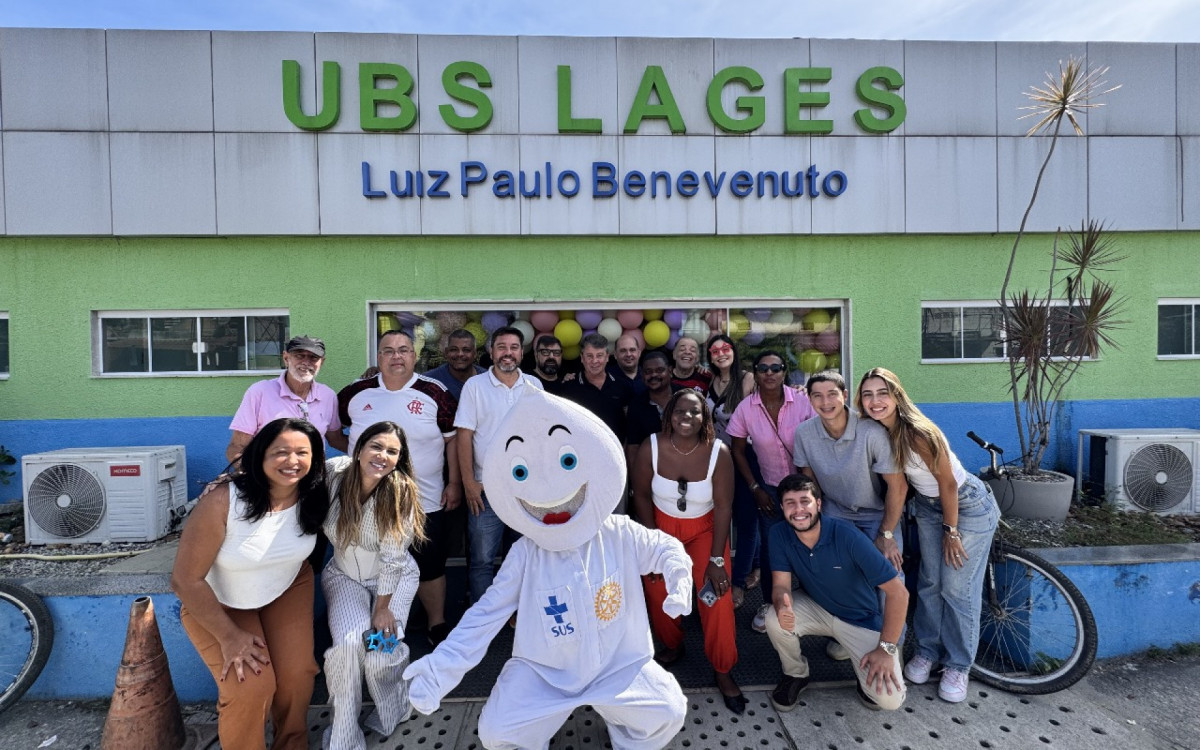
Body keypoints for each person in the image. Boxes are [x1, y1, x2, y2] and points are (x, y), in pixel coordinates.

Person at [405, 389, 693, 750]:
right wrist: (438, 669)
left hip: (617, 666)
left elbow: (666, 548)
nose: (547, 485)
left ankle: (628, 740)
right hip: (545, 674)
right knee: (498, 731)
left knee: (667, 709)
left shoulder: (618, 533)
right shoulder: (526, 553)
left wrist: (678, 575)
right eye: (523, 471)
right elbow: (485, 614)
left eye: (568, 461)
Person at [172, 418, 329, 750]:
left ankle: (292, 743)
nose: (292, 461)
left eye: (303, 452)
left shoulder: (315, 492)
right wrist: (229, 637)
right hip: (222, 601)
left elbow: (371, 462)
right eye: (281, 452)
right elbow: (185, 580)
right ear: (260, 455)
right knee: (251, 687)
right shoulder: (223, 501)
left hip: (286, 585)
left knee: (298, 675)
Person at [856, 367, 1000, 703]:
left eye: (882, 393)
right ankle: (927, 652)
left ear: (896, 395)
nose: (875, 401)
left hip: (964, 505)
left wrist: (952, 532)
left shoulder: (917, 431)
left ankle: (959, 665)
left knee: (956, 587)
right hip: (927, 506)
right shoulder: (878, 429)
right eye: (868, 395)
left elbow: (948, 483)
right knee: (930, 582)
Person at [334, 330, 461, 645]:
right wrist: (354, 457)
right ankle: (373, 631)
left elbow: (453, 441)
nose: (396, 356)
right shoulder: (355, 393)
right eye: (388, 351)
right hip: (366, 502)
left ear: (414, 356)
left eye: (403, 350)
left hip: (424, 500)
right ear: (378, 358)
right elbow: (333, 432)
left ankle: (436, 624)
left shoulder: (436, 393)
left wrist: (455, 482)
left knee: (430, 565)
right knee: (373, 566)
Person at [633, 388, 745, 714]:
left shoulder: (718, 452)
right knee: (656, 587)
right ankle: (672, 644)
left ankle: (723, 668)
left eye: (695, 412)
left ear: (704, 416)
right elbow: (640, 494)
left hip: (705, 532)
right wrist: (654, 543)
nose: (687, 417)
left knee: (716, 596)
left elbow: (724, 507)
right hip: (662, 529)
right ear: (669, 414)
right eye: (680, 411)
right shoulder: (650, 447)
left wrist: (716, 560)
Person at [765, 474, 908, 713]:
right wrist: (782, 604)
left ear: (818, 504)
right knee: (773, 619)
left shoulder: (847, 536)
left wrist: (886, 649)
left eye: (805, 501)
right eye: (790, 503)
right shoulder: (779, 534)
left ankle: (864, 673)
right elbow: (781, 585)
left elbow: (899, 594)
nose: (798, 510)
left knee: (889, 700)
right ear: (782, 507)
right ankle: (796, 674)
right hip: (817, 608)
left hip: (859, 619)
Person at [322, 422, 426, 748]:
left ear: (399, 458)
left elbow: (394, 560)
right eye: (376, 446)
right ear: (360, 447)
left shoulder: (400, 492)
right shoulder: (334, 475)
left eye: (392, 451)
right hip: (344, 578)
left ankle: (396, 707)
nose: (382, 456)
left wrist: (382, 609)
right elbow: (288, 478)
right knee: (347, 649)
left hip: (393, 583)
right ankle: (344, 736)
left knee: (380, 657)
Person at [793, 369, 908, 659]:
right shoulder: (804, 434)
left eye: (832, 394)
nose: (825, 401)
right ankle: (853, 634)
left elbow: (898, 487)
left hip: (876, 513)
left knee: (888, 572)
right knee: (840, 573)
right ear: (809, 400)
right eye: (817, 395)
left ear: (844, 396)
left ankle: (893, 645)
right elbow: (810, 484)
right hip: (835, 510)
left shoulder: (871, 431)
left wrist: (886, 533)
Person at [726, 350, 815, 631]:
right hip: (769, 489)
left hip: (805, 490)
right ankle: (769, 603)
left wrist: (815, 489)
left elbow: (819, 438)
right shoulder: (745, 408)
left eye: (775, 368)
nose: (769, 373)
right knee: (771, 549)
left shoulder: (802, 402)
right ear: (756, 373)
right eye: (763, 368)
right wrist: (755, 488)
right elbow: (737, 451)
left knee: (810, 546)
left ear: (784, 371)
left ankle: (815, 603)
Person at [455, 325, 544, 603]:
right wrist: (469, 482)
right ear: (491, 352)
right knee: (482, 559)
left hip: (525, 490)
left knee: (521, 556)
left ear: (522, 352)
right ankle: (484, 620)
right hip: (485, 490)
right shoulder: (475, 386)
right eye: (502, 347)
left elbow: (542, 438)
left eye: (514, 348)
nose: (508, 353)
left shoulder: (534, 386)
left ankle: (518, 613)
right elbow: (464, 435)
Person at [705, 333, 759, 609]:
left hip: (746, 455)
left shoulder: (748, 379)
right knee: (726, 517)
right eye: (714, 350)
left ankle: (738, 582)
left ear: (734, 352)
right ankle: (754, 565)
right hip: (720, 458)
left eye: (725, 348)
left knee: (746, 520)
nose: (720, 353)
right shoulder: (710, 382)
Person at [226, 335, 340, 464]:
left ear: (322, 362)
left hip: (312, 479)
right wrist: (251, 477)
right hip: (269, 478)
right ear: (286, 358)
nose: (306, 362)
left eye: (313, 357)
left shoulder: (328, 395)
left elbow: (335, 438)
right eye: (299, 355)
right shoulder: (260, 392)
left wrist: (364, 452)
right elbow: (237, 446)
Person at [558, 333, 634, 444]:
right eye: (589, 356)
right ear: (582, 358)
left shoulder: (622, 385)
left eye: (599, 355)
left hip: (615, 452)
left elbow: (629, 425)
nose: (594, 361)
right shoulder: (568, 388)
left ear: (607, 357)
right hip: (582, 452)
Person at [424, 328, 486, 400]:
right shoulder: (428, 381)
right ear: (446, 353)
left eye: (466, 350)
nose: (460, 354)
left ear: (475, 354)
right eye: (454, 349)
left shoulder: (488, 380)